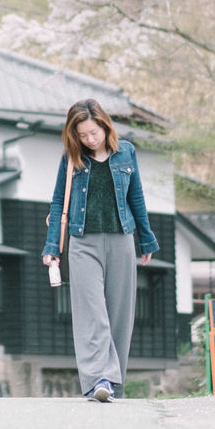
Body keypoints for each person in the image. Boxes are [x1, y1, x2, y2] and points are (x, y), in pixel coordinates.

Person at [41, 98, 158, 403]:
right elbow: (57, 203)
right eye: (82, 135)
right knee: (93, 313)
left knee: (120, 315)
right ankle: (98, 379)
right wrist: (52, 246)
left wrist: (147, 240)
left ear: (105, 126)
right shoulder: (71, 159)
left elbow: (137, 198)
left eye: (94, 132)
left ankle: (112, 384)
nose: (90, 139)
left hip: (122, 240)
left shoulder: (126, 153)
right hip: (83, 243)